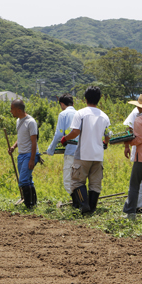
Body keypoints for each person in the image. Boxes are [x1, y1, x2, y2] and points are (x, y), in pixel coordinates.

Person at [61, 86, 110, 214]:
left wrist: (65, 138)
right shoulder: (104, 116)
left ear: (85, 98)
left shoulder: (81, 113)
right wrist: (105, 143)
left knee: (77, 182)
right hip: (98, 155)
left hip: (83, 154)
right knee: (95, 184)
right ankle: (92, 208)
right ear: (99, 99)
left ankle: (84, 205)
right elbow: (107, 135)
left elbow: (76, 132)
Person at [8, 99, 41, 208]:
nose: (10, 111)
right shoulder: (18, 121)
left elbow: (34, 141)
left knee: (23, 180)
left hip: (29, 155)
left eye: (12, 109)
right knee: (28, 180)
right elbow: (21, 138)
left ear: (18, 110)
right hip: (21, 155)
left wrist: (32, 159)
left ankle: (28, 205)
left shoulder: (30, 122)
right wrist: (13, 147)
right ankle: (33, 203)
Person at [46, 94, 78, 203]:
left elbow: (59, 134)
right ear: (73, 104)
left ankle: (78, 202)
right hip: (82, 152)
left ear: (62, 104)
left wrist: (50, 149)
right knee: (78, 180)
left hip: (71, 151)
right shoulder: (80, 114)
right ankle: (80, 201)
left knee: (68, 181)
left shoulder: (63, 114)